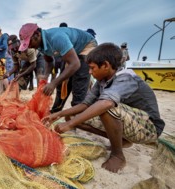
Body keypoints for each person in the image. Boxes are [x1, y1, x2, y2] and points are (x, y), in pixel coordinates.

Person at [42, 43, 165, 173]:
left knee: (105, 107)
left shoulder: (126, 78)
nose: (89, 72)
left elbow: (107, 103)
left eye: (92, 68)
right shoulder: (102, 80)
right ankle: (122, 140)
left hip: (148, 128)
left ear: (105, 65)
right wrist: (58, 114)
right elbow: (85, 105)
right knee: (72, 115)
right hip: (127, 123)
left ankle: (118, 155)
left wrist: (70, 125)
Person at [18, 23, 97, 113]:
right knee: (62, 83)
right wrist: (46, 76)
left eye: (29, 42)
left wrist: (53, 83)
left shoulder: (57, 38)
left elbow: (75, 64)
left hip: (86, 46)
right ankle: (56, 111)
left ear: (37, 35)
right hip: (73, 50)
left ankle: (76, 114)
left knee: (78, 81)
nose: (29, 46)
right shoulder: (40, 45)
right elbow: (49, 61)